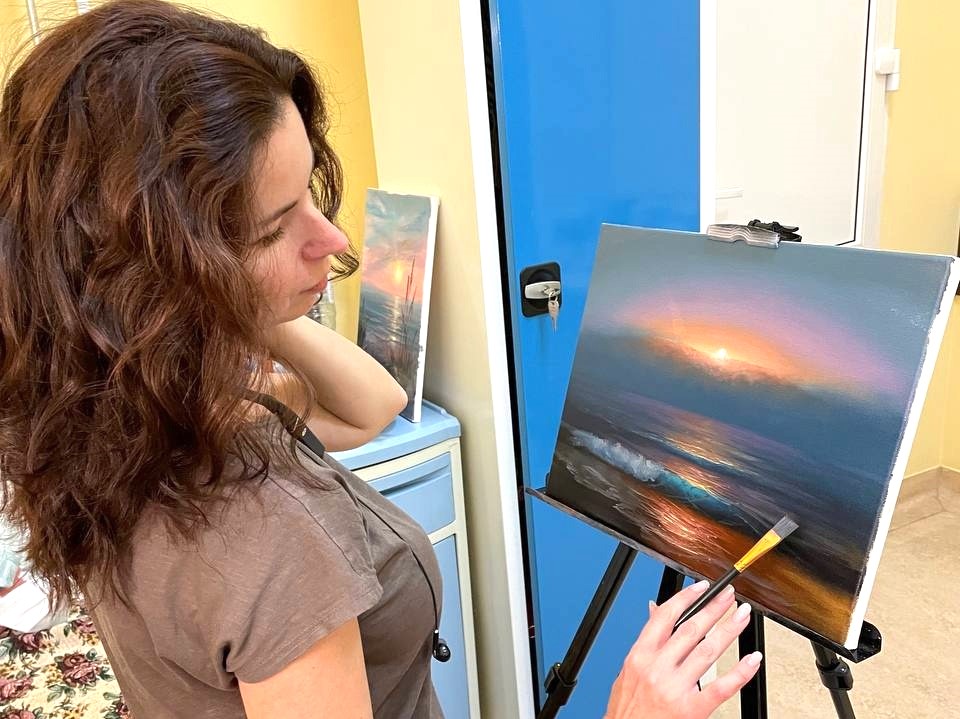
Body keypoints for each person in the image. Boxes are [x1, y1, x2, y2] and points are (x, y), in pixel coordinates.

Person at [0, 1, 761, 716]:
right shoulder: (265, 526)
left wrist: (245, 309)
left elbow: (377, 405)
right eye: (273, 229)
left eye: (309, 192)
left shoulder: (113, 420)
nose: (334, 241)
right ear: (153, 282)